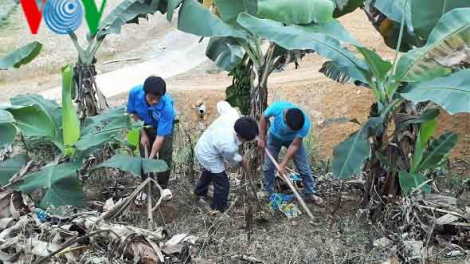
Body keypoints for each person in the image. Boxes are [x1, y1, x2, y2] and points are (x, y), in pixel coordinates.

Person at [194, 101, 259, 213]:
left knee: (209, 171)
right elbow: (231, 161)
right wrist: (241, 160)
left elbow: (221, 104)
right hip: (208, 154)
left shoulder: (232, 114)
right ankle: (217, 209)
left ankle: (199, 192)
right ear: (241, 137)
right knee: (223, 184)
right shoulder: (229, 145)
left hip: (207, 142)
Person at [257, 101, 323, 205]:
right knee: (268, 167)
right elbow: (263, 117)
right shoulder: (277, 108)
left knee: (304, 169)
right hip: (274, 138)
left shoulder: (304, 124)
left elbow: (295, 145)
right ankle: (268, 191)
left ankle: (309, 193)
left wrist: (283, 165)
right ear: (285, 119)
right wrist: (261, 137)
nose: (290, 131)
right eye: (291, 129)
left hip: (293, 141)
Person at [127, 76, 176, 189]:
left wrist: (151, 158)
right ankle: (147, 185)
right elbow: (134, 113)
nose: (154, 101)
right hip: (144, 125)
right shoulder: (135, 93)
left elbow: (160, 138)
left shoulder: (167, 107)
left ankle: (162, 187)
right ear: (145, 92)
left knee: (165, 156)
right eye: (151, 98)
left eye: (158, 99)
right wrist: (143, 134)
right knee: (144, 152)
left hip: (164, 129)